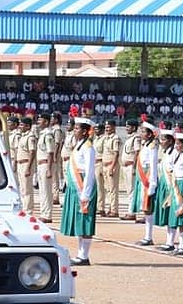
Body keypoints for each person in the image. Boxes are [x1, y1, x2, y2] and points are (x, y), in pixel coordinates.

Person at [62, 118, 98, 266]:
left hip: (83, 185)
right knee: (79, 221)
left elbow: (89, 171)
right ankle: (80, 254)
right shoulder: (78, 145)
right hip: (76, 185)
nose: (74, 130)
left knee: (85, 221)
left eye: (77, 129)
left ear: (84, 131)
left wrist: (86, 193)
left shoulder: (88, 147)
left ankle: (84, 256)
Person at [134, 121, 160, 245]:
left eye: (144, 131)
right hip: (143, 175)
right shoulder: (145, 145)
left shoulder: (152, 147)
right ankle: (147, 235)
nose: (141, 133)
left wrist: (152, 184)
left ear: (150, 134)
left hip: (148, 177)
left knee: (148, 208)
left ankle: (148, 237)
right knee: (145, 209)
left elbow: (153, 165)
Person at [35, 114, 56, 223]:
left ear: (46, 122)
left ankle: (47, 215)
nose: (38, 121)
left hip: (45, 164)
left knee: (46, 191)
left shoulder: (48, 134)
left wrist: (49, 168)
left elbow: (50, 152)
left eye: (40, 120)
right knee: (42, 190)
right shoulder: (42, 134)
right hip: (40, 164)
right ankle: (44, 213)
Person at [120, 119, 142, 221]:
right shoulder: (130, 138)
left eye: (128, 126)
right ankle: (130, 210)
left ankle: (131, 212)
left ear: (133, 127)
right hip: (125, 166)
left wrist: (134, 167)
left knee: (132, 190)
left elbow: (137, 152)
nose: (126, 128)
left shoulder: (136, 138)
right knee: (129, 190)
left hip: (130, 166)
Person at [99, 120, 121, 218]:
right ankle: (110, 208)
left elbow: (116, 153)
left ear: (114, 127)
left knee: (113, 189)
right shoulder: (106, 138)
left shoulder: (115, 138)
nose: (107, 129)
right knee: (108, 189)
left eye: (109, 127)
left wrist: (112, 167)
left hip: (111, 165)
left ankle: (114, 210)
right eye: (106, 127)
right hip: (104, 165)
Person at [15, 117, 37, 213]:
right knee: (22, 188)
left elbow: (32, 152)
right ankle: (24, 207)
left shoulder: (30, 136)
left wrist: (28, 168)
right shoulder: (23, 136)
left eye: (22, 125)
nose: (20, 127)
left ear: (28, 126)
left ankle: (28, 210)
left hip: (26, 163)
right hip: (20, 163)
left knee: (27, 188)